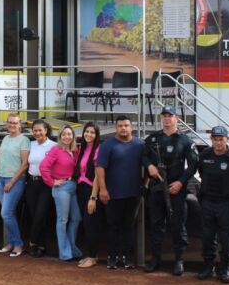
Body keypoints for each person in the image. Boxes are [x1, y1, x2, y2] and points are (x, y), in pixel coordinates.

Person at [144, 105, 198, 275]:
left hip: (176, 190)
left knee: (178, 226)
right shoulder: (153, 139)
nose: (167, 119)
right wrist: (149, 166)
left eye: (170, 116)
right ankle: (155, 259)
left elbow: (193, 164)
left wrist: (181, 183)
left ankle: (179, 260)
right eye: (164, 116)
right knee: (156, 226)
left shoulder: (185, 140)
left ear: (177, 119)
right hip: (156, 190)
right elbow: (143, 155)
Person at [96, 115, 148, 269]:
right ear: (116, 128)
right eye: (120, 126)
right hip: (112, 194)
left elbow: (147, 165)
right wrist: (103, 189)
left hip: (133, 193)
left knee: (129, 226)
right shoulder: (107, 145)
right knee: (113, 226)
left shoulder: (140, 144)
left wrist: (144, 184)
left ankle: (128, 258)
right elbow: (100, 168)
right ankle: (112, 257)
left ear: (131, 127)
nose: (123, 128)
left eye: (126, 125)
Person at [196, 126, 229, 283]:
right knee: (207, 236)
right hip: (208, 201)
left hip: (226, 203)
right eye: (215, 139)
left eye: (221, 139)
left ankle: (225, 269)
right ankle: (208, 267)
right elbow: (202, 174)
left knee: (226, 237)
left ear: (227, 140)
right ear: (211, 140)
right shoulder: (205, 155)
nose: (218, 142)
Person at [41, 125, 82, 262]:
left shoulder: (75, 150)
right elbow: (43, 166)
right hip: (62, 188)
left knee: (76, 218)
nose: (67, 137)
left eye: (69, 134)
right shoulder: (56, 150)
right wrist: (52, 182)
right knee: (62, 220)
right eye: (64, 134)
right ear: (60, 137)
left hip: (73, 186)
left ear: (73, 136)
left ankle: (72, 248)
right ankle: (65, 252)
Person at [0, 113, 30, 257]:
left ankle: (18, 244)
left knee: (6, 213)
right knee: (9, 214)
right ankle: (10, 243)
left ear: (19, 124)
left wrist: (12, 181)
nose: (12, 125)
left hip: (14, 180)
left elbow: (24, 164)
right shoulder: (5, 138)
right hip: (1, 179)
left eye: (15, 123)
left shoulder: (24, 140)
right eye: (10, 123)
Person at [25, 119, 57, 258]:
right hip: (32, 183)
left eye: (40, 130)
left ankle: (32, 243)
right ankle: (42, 245)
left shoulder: (54, 146)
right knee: (35, 216)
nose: (37, 133)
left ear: (46, 130)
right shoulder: (30, 144)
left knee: (40, 215)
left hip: (46, 184)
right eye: (35, 130)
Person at [74, 122, 103, 268]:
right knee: (86, 224)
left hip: (91, 191)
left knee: (91, 223)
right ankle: (90, 254)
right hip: (80, 189)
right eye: (87, 132)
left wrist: (93, 197)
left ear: (96, 135)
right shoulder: (82, 148)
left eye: (92, 132)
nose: (89, 134)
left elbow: (98, 174)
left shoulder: (98, 149)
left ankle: (93, 256)